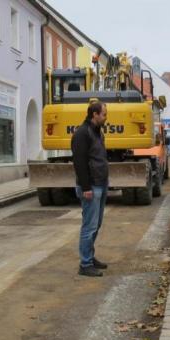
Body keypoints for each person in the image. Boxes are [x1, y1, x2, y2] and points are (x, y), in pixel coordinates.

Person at [71, 101, 109, 277]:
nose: (105, 117)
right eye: (103, 114)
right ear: (94, 114)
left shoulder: (97, 132)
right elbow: (79, 162)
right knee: (89, 226)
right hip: (91, 186)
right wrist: (86, 187)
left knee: (96, 224)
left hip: (100, 183)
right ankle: (85, 264)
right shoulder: (82, 133)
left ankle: (90, 256)